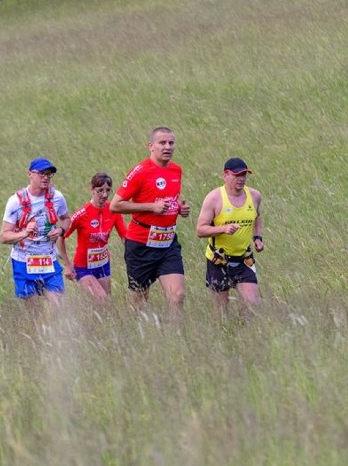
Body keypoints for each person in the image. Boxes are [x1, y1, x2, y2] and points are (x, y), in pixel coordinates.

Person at [110, 127, 191, 323]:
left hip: (168, 243)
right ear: (151, 146)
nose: (167, 147)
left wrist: (178, 209)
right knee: (139, 301)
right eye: (162, 143)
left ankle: (175, 338)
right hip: (141, 244)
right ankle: (135, 334)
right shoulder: (141, 171)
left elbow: (168, 200)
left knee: (177, 295)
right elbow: (115, 205)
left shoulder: (176, 170)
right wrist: (151, 207)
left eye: (171, 143)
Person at [195, 158, 264, 323]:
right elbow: (200, 230)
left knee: (252, 305)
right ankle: (224, 338)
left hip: (244, 259)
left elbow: (257, 216)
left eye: (244, 175)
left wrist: (258, 237)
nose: (241, 179)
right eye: (237, 175)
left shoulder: (254, 195)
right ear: (225, 175)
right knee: (221, 313)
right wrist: (223, 229)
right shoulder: (214, 198)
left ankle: (245, 336)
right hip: (219, 260)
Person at [0, 158, 71, 306]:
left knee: (57, 305)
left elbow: (66, 219)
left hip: (48, 259)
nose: (45, 177)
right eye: (41, 174)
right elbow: (4, 236)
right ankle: (36, 329)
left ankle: (53, 329)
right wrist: (24, 233)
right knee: (32, 310)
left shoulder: (57, 197)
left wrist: (60, 230)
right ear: (29, 174)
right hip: (23, 260)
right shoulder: (15, 201)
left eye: (49, 174)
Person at [59, 172, 127, 305]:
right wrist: (67, 265)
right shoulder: (81, 214)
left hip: (103, 265)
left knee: (106, 306)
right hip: (83, 268)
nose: (104, 195)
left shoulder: (113, 210)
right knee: (102, 300)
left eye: (108, 190)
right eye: (100, 190)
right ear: (92, 190)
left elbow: (124, 235)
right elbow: (61, 237)